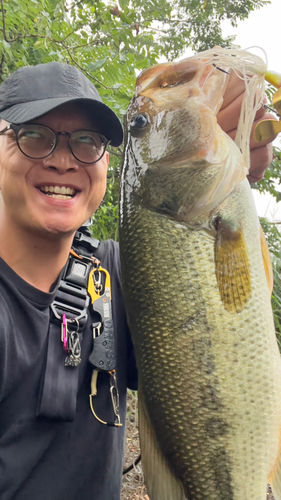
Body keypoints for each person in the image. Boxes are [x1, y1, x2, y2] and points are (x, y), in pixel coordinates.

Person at [0, 61, 275, 500]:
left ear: (107, 165)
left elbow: (209, 320)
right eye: (34, 135)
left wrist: (239, 150)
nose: (63, 160)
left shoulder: (115, 274)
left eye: (87, 142)